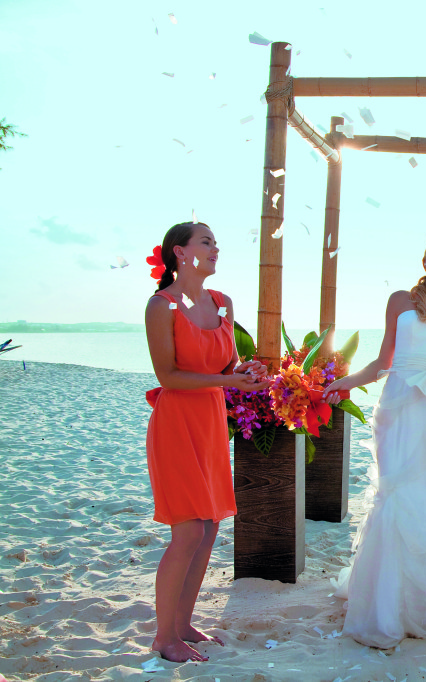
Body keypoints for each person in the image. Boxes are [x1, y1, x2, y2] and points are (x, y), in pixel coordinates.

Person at [323, 229, 426, 649]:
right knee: (396, 494)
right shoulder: (400, 300)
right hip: (397, 409)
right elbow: (384, 362)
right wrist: (344, 382)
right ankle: (388, 603)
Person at [144, 221, 269, 663]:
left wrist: (248, 372)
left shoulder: (223, 303)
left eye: (216, 241)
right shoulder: (161, 306)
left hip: (212, 421)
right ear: (180, 252)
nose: (216, 248)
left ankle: (182, 625)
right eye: (206, 241)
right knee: (188, 530)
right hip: (177, 421)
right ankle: (163, 637)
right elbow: (168, 375)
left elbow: (228, 362)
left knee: (210, 527)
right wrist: (227, 378)